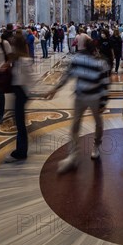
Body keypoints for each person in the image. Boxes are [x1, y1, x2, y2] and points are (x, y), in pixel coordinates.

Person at [51, 34, 110, 173]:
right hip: (88, 98)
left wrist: (55, 88)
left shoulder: (93, 62)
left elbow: (66, 76)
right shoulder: (100, 62)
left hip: (88, 97)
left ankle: (76, 153)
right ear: (94, 49)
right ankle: (83, 151)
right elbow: (105, 85)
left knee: (76, 126)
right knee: (96, 124)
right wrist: (103, 102)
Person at [6, 30, 35, 161]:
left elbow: (28, 79)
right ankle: (20, 149)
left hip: (22, 92)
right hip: (19, 92)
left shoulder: (24, 61)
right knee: (19, 122)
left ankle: (21, 151)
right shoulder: (19, 59)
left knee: (20, 124)